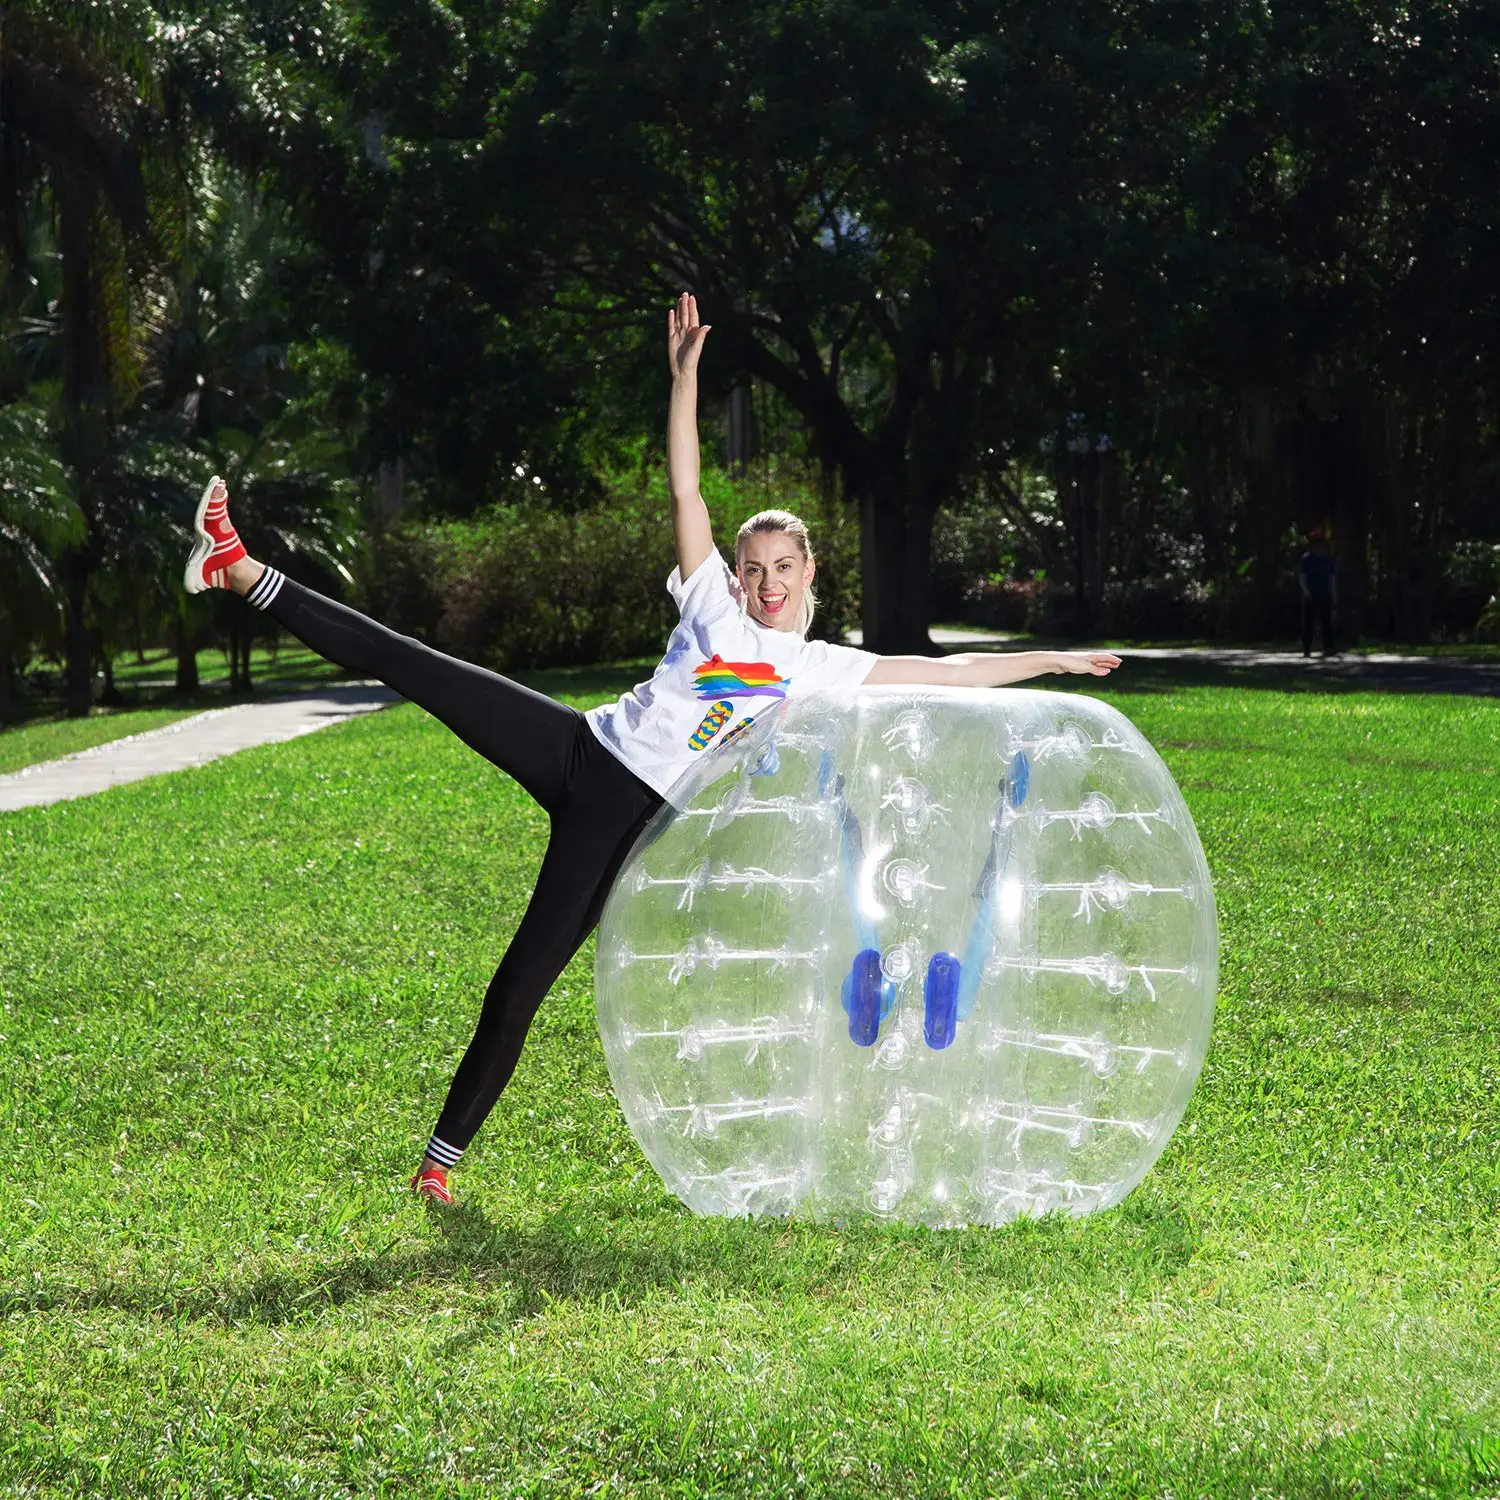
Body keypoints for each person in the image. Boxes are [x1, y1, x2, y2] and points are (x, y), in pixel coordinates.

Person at [182, 294, 1122, 1204]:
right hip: (580, 750)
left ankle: (439, 1163)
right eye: (751, 568)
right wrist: (683, 379)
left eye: (779, 571)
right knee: (415, 663)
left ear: (807, 576)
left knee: (517, 988)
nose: (760, 584)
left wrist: (1055, 659)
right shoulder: (707, 596)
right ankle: (238, 565)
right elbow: (686, 482)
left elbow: (945, 674)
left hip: (625, 823)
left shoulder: (821, 669)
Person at [1298, 528, 1337, 657]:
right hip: (1311, 594)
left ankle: (1328, 648)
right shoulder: (1307, 559)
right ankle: (1306, 649)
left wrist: (1333, 594)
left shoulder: (1328, 560)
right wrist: (1306, 591)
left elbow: (1332, 579)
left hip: (1325, 593)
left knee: (1326, 622)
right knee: (1308, 623)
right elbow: (1302, 577)